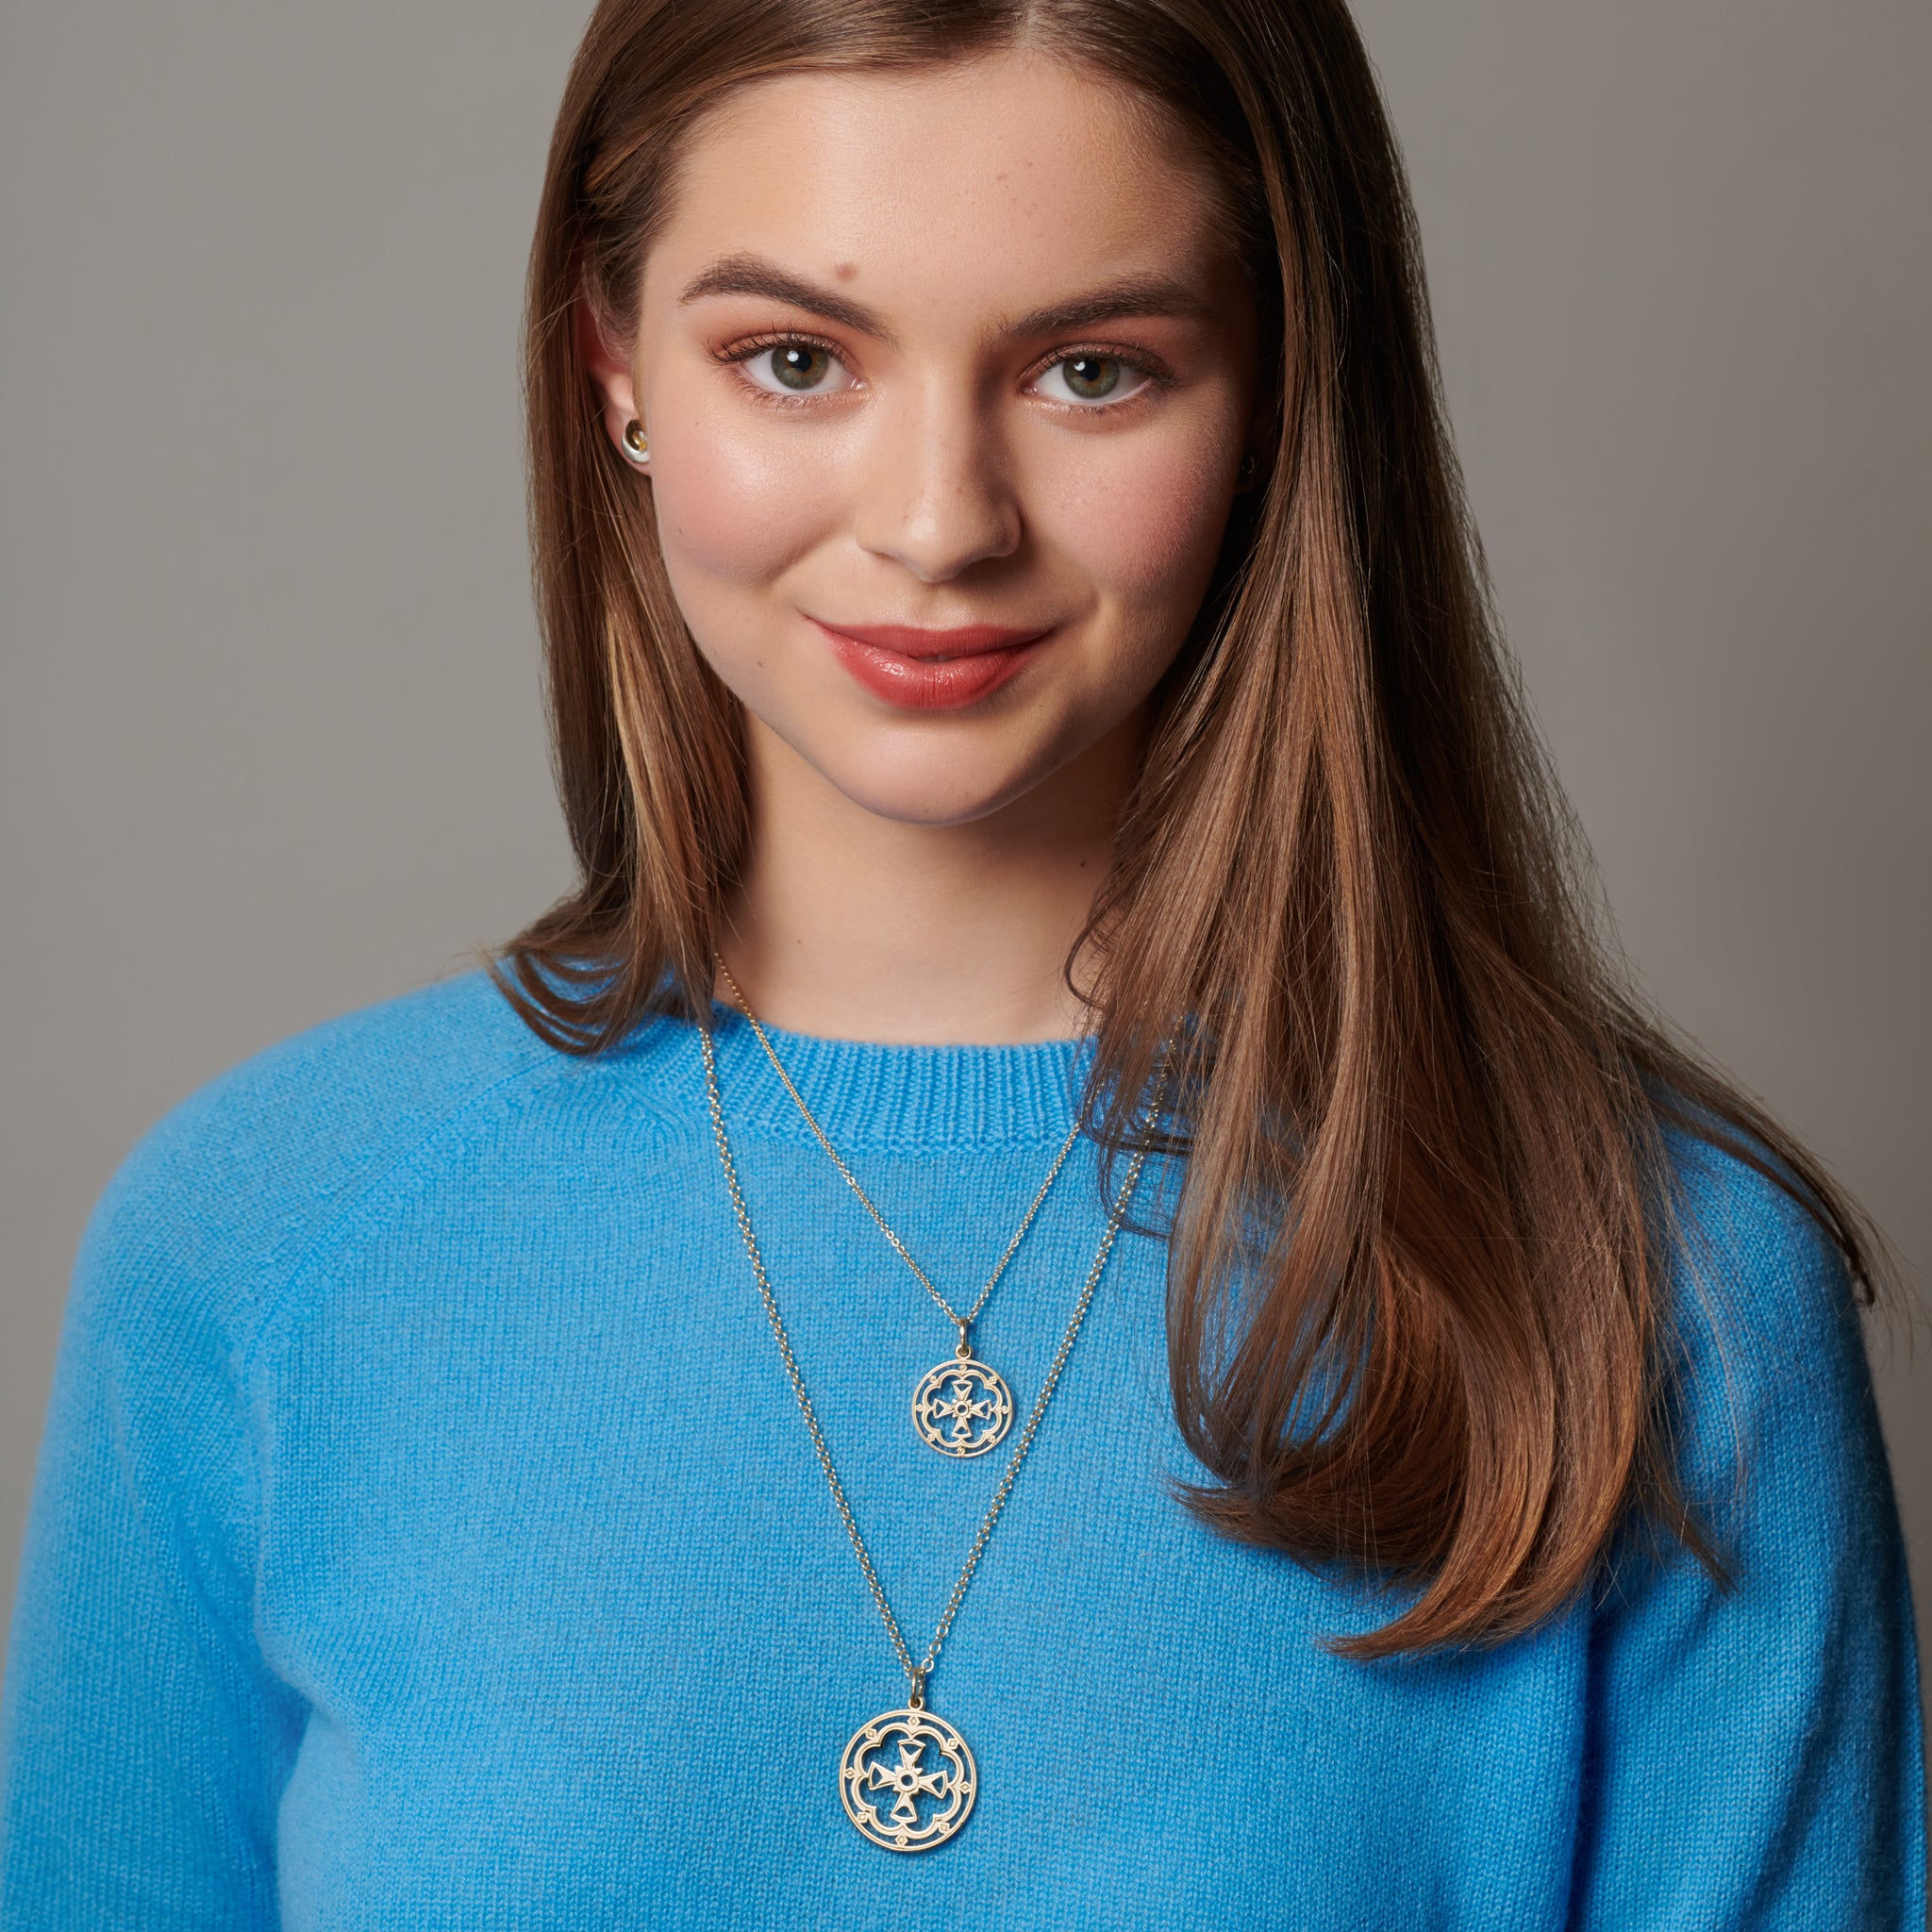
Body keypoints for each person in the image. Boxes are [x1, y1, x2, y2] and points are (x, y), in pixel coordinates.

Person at [3, 0, 1923, 1923]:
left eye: (1092, 368)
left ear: (1273, 389)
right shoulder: (254, 1252)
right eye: (794, 359)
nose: (939, 523)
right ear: (616, 371)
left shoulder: (1655, 1285)